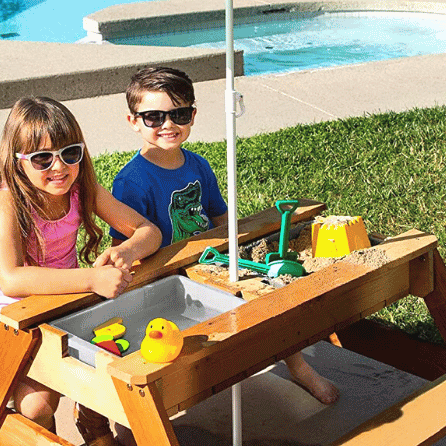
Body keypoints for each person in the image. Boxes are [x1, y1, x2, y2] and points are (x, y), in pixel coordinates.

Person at [110, 66, 339, 405]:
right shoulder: (132, 182)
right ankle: (140, 412)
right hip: (166, 278)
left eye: (179, 114)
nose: (168, 125)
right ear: (133, 121)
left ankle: (298, 366)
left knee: (273, 297)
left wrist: (242, 249)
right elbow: (122, 247)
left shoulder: (198, 165)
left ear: (193, 115)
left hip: (211, 262)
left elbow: (221, 218)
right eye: (153, 117)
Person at [0, 97, 161, 446]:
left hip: (69, 307)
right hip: (15, 320)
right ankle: (43, 442)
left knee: (110, 357)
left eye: (70, 153)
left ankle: (93, 422)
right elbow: (12, 280)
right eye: (42, 159)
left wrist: (126, 250)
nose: (60, 167)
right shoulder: (6, 204)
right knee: (39, 405)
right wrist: (90, 280)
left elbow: (149, 231)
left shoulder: (81, 188)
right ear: (17, 159)